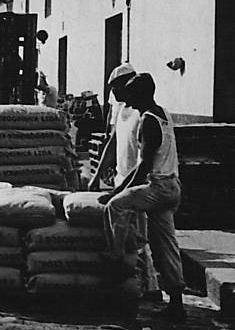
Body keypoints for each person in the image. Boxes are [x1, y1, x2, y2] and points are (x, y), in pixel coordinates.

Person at [100, 73, 186, 321]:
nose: (128, 100)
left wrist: (116, 192)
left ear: (142, 94)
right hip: (172, 186)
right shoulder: (164, 114)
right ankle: (177, 304)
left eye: (131, 94)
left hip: (157, 187)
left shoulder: (147, 120)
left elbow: (143, 167)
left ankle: (117, 261)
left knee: (115, 206)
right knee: (166, 245)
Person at [91, 63, 161, 300]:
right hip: (122, 180)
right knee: (126, 235)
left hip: (138, 181)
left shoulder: (143, 112)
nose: (114, 94)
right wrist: (98, 173)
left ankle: (150, 287)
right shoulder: (119, 109)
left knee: (141, 238)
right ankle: (132, 282)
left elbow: (147, 157)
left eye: (116, 88)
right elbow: (112, 141)